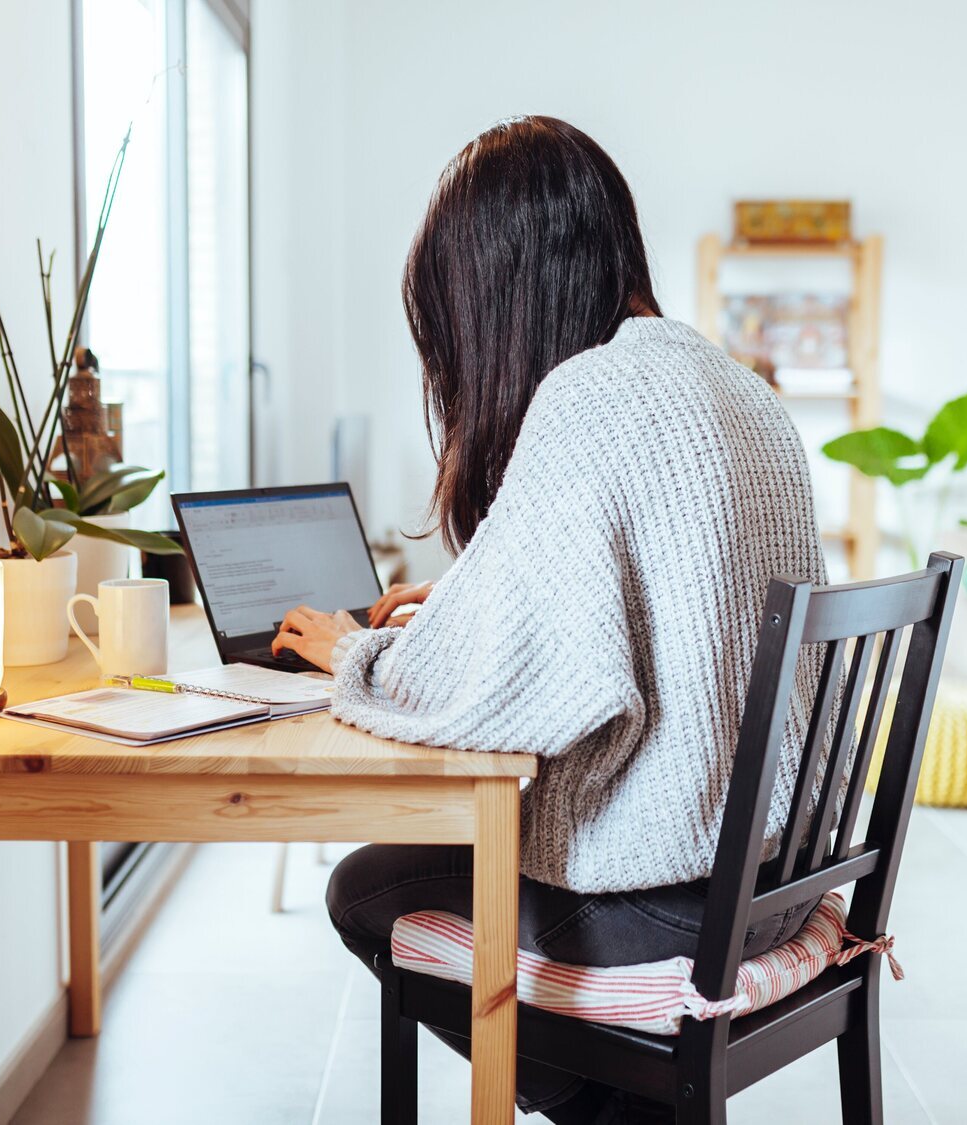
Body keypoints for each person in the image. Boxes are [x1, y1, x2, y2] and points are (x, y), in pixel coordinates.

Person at [271, 115, 828, 1124]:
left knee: (363, 891)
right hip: (775, 878)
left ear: (504, 284)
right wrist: (474, 600)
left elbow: (480, 694)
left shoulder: (592, 393)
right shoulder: (733, 385)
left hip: (671, 903)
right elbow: (674, 603)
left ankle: (620, 1107)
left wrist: (357, 651)